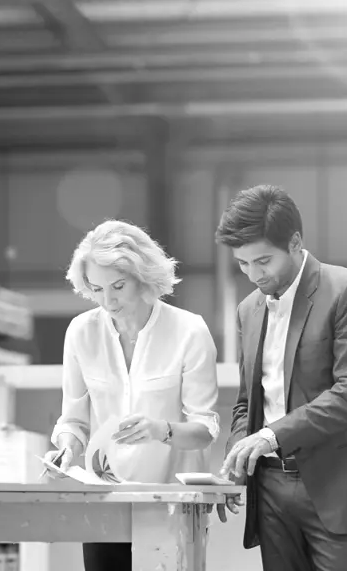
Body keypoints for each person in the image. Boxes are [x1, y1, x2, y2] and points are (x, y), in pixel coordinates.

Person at [213, 185, 347, 571]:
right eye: (243, 264)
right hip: (269, 489)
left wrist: (272, 435)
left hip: (339, 485)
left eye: (263, 261)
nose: (253, 275)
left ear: (296, 242)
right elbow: (247, 403)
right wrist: (238, 454)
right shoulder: (249, 309)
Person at [43, 219, 221, 571]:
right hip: (103, 501)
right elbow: (74, 421)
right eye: (96, 288)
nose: (107, 301)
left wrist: (160, 430)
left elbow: (205, 429)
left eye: (118, 286)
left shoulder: (189, 331)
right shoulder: (81, 333)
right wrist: (66, 448)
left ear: (143, 277)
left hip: (173, 504)